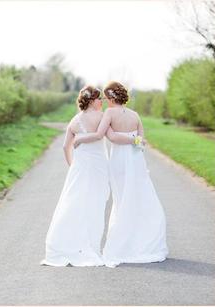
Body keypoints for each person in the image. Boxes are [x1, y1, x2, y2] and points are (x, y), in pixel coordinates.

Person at [73, 81, 169, 268]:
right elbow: (142, 140)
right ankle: (142, 241)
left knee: (121, 199)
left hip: (119, 160)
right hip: (136, 160)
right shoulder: (135, 115)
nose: (105, 102)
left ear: (111, 98)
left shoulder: (109, 113)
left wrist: (82, 137)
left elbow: (112, 137)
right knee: (139, 196)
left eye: (106, 98)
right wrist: (135, 139)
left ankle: (124, 243)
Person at [40, 85, 133, 267]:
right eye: (99, 99)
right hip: (99, 167)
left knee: (74, 203)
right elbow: (110, 135)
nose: (102, 102)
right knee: (95, 205)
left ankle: (65, 244)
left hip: (80, 168)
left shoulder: (74, 121)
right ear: (92, 101)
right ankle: (91, 247)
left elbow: (65, 146)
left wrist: (72, 166)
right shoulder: (102, 117)